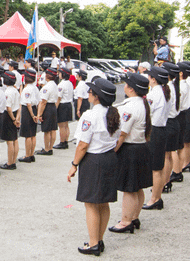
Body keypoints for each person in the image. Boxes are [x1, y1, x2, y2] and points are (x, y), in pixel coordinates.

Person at [67, 78, 120, 256]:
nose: (88, 93)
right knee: (103, 202)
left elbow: (83, 144)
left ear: (96, 97)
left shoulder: (89, 115)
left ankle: (93, 243)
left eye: (90, 92)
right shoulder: (113, 113)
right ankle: (99, 239)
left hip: (94, 161)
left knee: (91, 204)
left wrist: (74, 165)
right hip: (109, 158)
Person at [109, 73, 152, 234]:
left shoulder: (130, 107)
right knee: (137, 187)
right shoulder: (142, 103)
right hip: (141, 147)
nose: (124, 86)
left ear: (131, 89)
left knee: (129, 188)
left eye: (126, 84)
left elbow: (122, 134)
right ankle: (134, 217)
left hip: (130, 150)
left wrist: (113, 152)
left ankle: (126, 221)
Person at [142, 66, 171, 210]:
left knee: (155, 168)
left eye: (149, 76)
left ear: (153, 79)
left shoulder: (154, 94)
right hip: (162, 129)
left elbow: (146, 112)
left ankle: (155, 198)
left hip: (155, 130)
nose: (148, 78)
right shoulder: (165, 91)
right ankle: (156, 197)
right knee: (158, 166)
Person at [160, 62, 181, 194]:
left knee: (166, 156)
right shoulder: (174, 85)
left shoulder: (167, 87)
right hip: (174, 122)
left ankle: (164, 182)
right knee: (169, 154)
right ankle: (166, 181)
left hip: (168, 122)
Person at [36, 68, 59, 155]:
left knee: (47, 130)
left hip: (48, 107)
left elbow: (43, 102)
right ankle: (50, 147)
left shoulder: (46, 87)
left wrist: (39, 114)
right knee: (53, 129)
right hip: (53, 106)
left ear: (47, 76)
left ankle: (46, 149)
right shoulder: (55, 85)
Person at [0, 72, 21, 169]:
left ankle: (10, 162)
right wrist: (17, 118)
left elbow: (8, 108)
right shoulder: (16, 90)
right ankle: (13, 160)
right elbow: (19, 106)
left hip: (9, 116)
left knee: (10, 141)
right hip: (16, 113)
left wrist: (13, 119)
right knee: (15, 139)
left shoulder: (7, 92)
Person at [19, 69, 39, 163]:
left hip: (28, 111)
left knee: (28, 135)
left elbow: (28, 103)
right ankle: (31, 154)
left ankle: (27, 155)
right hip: (34, 109)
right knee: (33, 134)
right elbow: (38, 102)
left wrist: (32, 115)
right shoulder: (35, 88)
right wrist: (37, 114)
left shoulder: (27, 89)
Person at [54, 67, 74, 150]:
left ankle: (62, 142)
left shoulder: (61, 84)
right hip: (68, 104)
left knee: (61, 126)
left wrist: (55, 109)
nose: (58, 74)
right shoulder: (70, 83)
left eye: (60, 73)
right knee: (66, 125)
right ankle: (65, 141)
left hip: (62, 105)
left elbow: (58, 98)